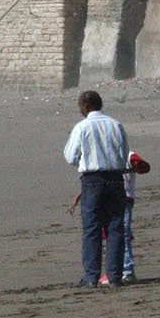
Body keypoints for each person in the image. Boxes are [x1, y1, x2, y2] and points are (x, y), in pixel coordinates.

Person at [63, 89, 129, 287]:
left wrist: (88, 160)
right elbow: (124, 153)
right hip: (116, 178)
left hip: (93, 179)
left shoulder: (82, 127)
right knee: (115, 227)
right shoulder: (116, 125)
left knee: (91, 228)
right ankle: (115, 276)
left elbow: (70, 156)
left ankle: (91, 277)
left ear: (86, 106)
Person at [121, 147, 150, 282]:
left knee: (123, 233)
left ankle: (126, 269)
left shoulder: (127, 153)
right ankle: (117, 269)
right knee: (114, 234)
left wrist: (136, 166)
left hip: (124, 197)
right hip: (108, 196)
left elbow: (142, 166)